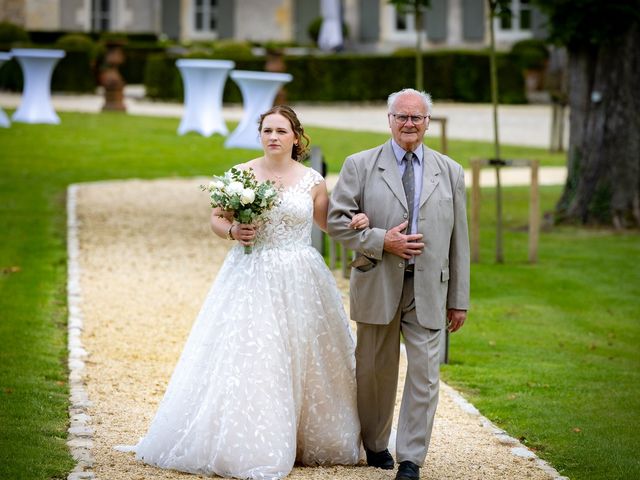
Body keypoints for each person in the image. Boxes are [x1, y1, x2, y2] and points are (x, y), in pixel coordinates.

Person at [121, 106, 368, 479]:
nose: (273, 136)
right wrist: (233, 233)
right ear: (260, 135)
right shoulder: (241, 175)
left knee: (306, 353)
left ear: (296, 138)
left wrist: (356, 221)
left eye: (281, 130)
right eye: (267, 130)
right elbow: (218, 218)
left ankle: (309, 438)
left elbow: (328, 223)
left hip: (301, 275)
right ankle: (252, 442)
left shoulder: (313, 180)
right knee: (256, 352)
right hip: (251, 272)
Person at [327, 89, 470, 480]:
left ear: (427, 123)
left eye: (417, 118)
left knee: (425, 374)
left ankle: (411, 458)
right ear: (389, 120)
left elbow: (461, 241)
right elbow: (337, 222)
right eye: (402, 117)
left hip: (430, 288)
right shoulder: (359, 165)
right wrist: (379, 239)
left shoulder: (451, 171)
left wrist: (459, 299)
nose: (409, 124)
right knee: (374, 370)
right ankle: (375, 444)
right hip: (377, 282)